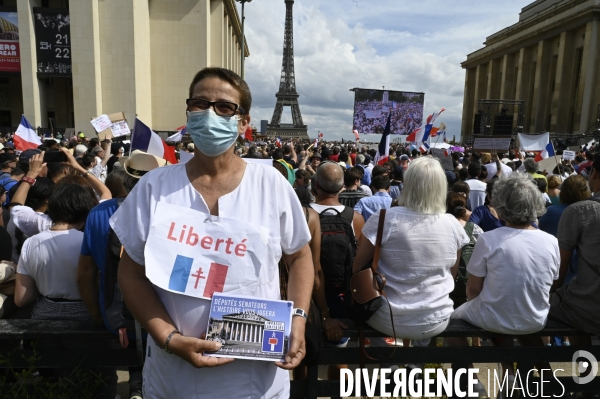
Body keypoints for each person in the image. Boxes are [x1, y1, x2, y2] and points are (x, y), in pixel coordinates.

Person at [111, 67, 313, 398]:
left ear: (243, 122)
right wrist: (168, 337)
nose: (210, 113)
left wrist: (300, 318)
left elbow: (301, 255)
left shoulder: (272, 184)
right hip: (173, 374)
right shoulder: (153, 187)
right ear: (188, 112)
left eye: (224, 107)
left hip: (256, 380)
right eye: (200, 103)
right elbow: (130, 273)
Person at [451, 173, 559, 388]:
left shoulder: (489, 239)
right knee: (513, 312)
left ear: (501, 204)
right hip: (535, 317)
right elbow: (551, 282)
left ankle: (471, 382)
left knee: (452, 323)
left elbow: (472, 289)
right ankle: (526, 376)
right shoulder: (551, 241)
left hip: (501, 316)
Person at [352, 157, 469, 347]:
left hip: (386, 316)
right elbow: (451, 275)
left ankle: (393, 365)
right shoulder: (453, 224)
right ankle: (413, 363)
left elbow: (357, 267)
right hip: (436, 317)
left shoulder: (385, 218)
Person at [549, 153, 600, 342]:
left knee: (526, 309)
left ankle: (583, 369)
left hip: (589, 305)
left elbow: (559, 271)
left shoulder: (580, 211)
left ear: (593, 174)